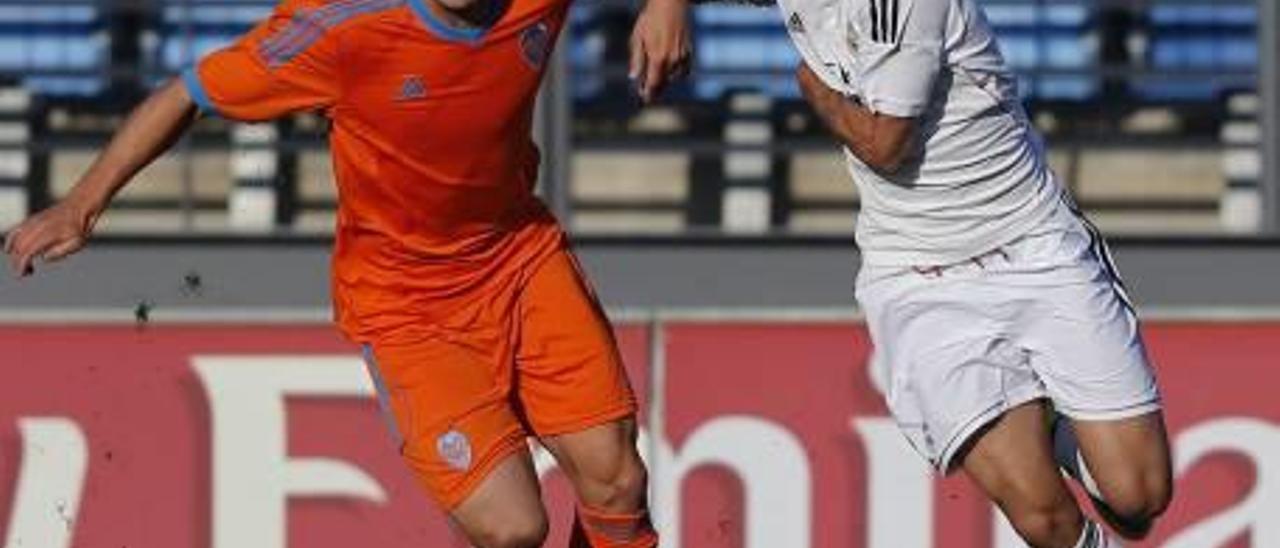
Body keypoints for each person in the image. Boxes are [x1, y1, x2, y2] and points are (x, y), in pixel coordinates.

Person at [5, 0, 658, 546]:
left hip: (519, 258)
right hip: (406, 305)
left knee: (619, 481)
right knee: (514, 529)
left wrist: (668, 5)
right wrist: (81, 205)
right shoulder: (344, 27)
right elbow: (189, 91)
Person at [632, 0, 1172, 546]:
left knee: (1139, 498)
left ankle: (1048, 420)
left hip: (1035, 246)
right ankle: (1044, 425)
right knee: (1044, 519)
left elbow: (885, 145)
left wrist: (817, 93)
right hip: (918, 277)